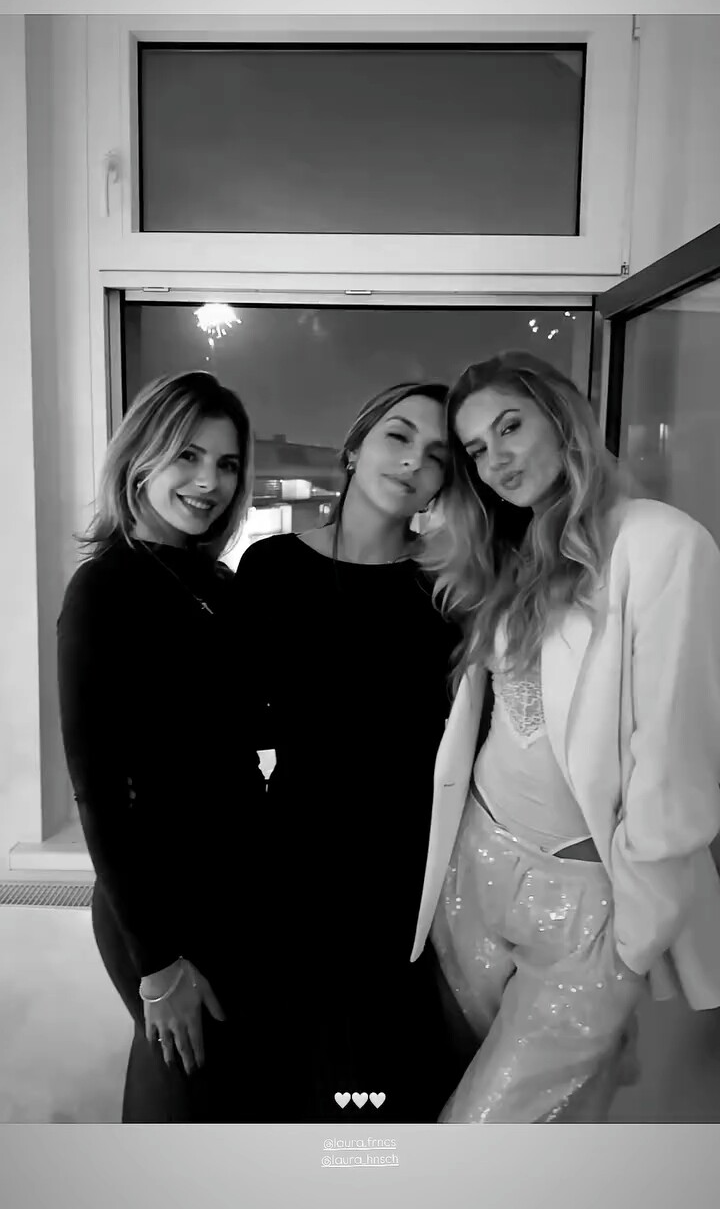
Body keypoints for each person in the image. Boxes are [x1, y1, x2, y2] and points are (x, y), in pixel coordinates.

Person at [412, 349, 720, 1123]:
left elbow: (677, 756)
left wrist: (636, 934)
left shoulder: (660, 542)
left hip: (584, 903)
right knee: (534, 1122)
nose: (495, 459)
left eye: (510, 427)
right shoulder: (510, 549)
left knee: (480, 1135)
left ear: (561, 418)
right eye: (476, 449)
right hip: (475, 870)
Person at [232, 381, 472, 1122]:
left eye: (437, 455)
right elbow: (234, 722)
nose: (413, 461)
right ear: (353, 449)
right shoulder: (272, 567)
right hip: (297, 859)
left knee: (394, 1083)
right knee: (303, 1077)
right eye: (398, 436)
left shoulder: (451, 586)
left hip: (414, 868)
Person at [57, 371, 267, 1123]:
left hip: (237, 885)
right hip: (158, 900)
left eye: (227, 463)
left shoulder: (216, 584)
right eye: (188, 456)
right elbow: (97, 789)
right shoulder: (103, 589)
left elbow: (244, 724)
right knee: (181, 1107)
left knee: (226, 1102)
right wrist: (156, 964)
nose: (209, 482)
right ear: (141, 458)